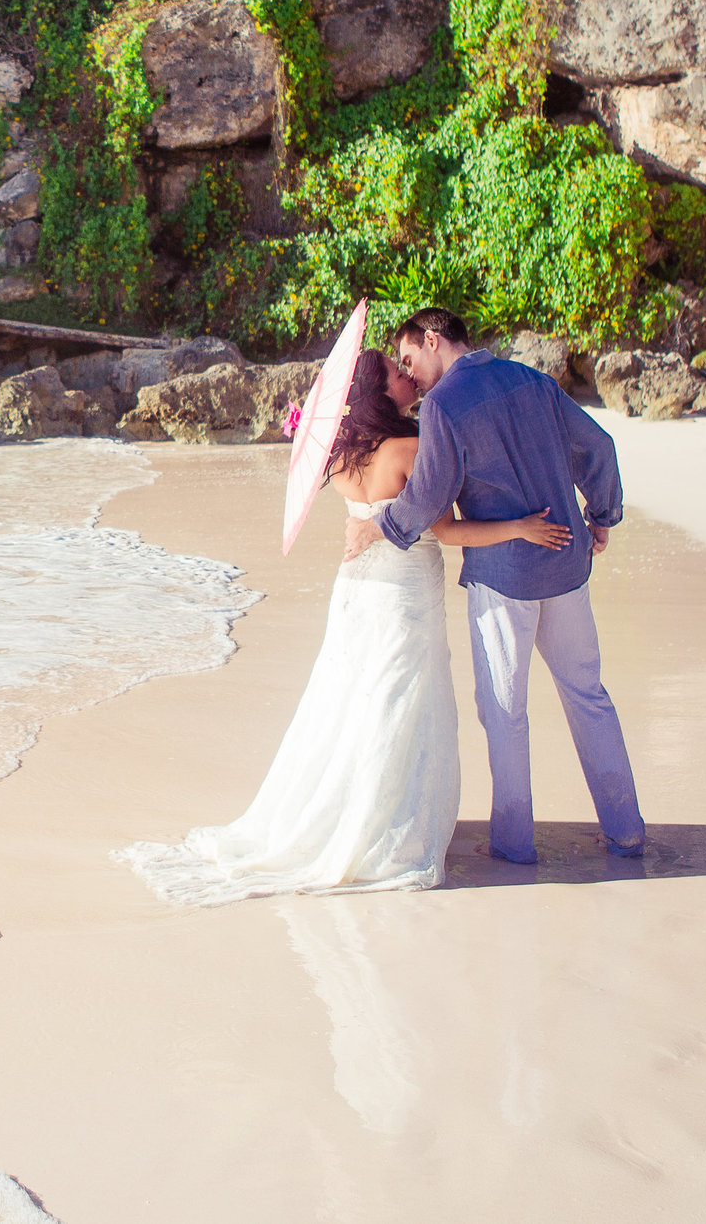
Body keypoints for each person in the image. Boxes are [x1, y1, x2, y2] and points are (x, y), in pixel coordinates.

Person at [122, 349, 571, 904]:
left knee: (347, 704)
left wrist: (379, 522)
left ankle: (349, 812)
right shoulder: (411, 448)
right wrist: (520, 527)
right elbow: (451, 534)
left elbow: (384, 517)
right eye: (397, 376)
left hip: (356, 593)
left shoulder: (337, 458)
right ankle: (385, 826)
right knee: (402, 702)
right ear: (379, 395)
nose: (409, 379)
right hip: (405, 597)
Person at [343, 307, 644, 864]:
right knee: (588, 696)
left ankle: (514, 843)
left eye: (410, 357)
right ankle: (626, 832)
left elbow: (429, 495)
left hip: (505, 579)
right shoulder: (533, 379)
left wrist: (376, 526)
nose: (411, 372)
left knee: (505, 712)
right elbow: (599, 448)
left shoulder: (442, 407)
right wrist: (602, 514)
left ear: (434, 340)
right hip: (567, 566)